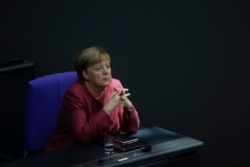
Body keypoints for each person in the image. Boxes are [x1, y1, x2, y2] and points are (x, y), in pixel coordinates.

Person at [45, 46, 140, 152]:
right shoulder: (74, 94)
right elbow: (83, 136)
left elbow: (132, 128)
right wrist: (109, 107)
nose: (106, 72)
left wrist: (129, 108)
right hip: (68, 153)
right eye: (99, 68)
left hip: (99, 149)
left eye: (108, 66)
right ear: (85, 74)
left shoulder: (115, 85)